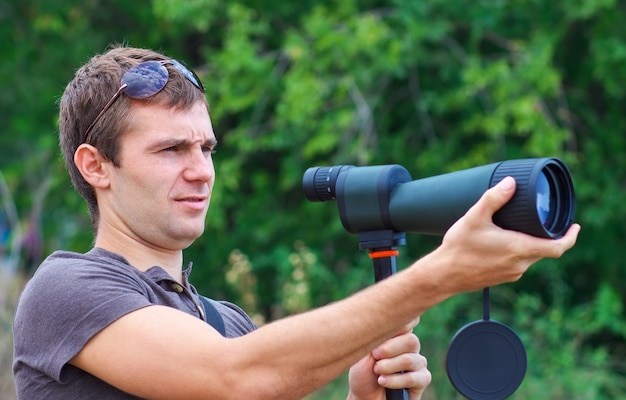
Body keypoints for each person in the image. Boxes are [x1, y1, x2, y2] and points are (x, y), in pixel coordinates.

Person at [12, 45, 580, 400]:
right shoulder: (66, 291)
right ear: (96, 166)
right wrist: (441, 274)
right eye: (170, 150)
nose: (201, 172)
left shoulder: (228, 324)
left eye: (206, 148)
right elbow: (232, 381)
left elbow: (246, 369)